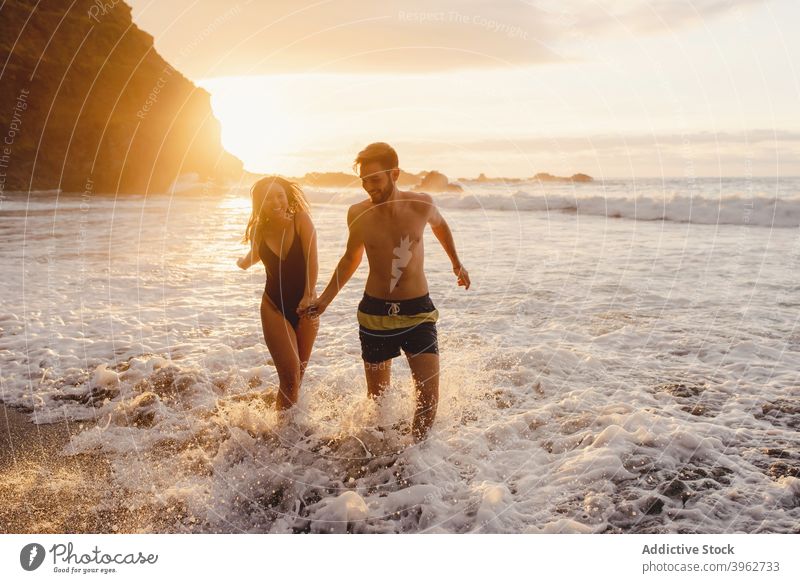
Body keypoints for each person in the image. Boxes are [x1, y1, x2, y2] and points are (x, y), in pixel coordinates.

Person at [305, 143, 470, 442]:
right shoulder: (357, 213)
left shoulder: (422, 205)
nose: (369, 187)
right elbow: (350, 258)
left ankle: (415, 460)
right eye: (364, 180)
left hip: (418, 312)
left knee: (428, 399)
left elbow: (441, 227)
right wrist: (325, 300)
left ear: (394, 173)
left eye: (375, 179)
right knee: (378, 403)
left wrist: (457, 264)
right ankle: (381, 464)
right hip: (375, 315)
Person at [237, 176, 319, 412]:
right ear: (259, 203)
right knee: (290, 377)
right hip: (273, 306)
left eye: (280, 195)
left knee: (297, 377)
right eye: (268, 198)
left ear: (288, 197)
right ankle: (282, 434)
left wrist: (308, 294)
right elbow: (256, 253)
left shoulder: (301, 221)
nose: (276, 202)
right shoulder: (259, 230)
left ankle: (293, 431)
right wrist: (243, 262)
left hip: (307, 307)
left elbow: (313, 260)